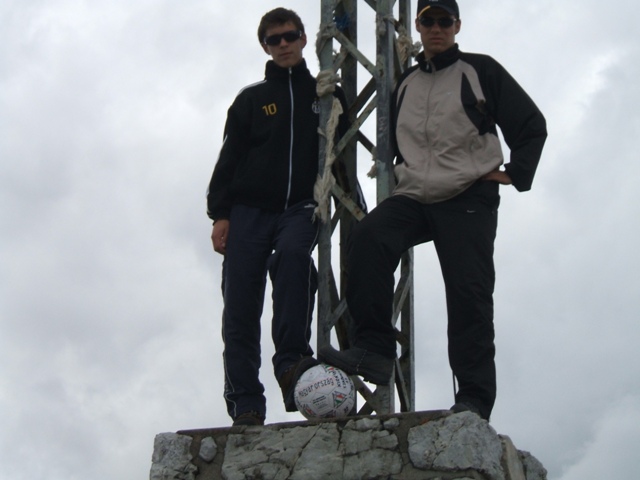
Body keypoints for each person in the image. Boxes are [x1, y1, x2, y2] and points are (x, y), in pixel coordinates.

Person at [320, 0, 547, 421]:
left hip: (467, 196)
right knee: (368, 238)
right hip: (414, 196)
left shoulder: (480, 70)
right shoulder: (406, 82)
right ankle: (375, 349)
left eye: (445, 21)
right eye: (428, 20)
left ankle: (474, 399)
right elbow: (396, 141)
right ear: (419, 26)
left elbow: (531, 124)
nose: (436, 27)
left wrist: (515, 173)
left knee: (468, 293)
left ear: (457, 26)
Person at [207, 7, 363, 426]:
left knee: (294, 258)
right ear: (265, 47)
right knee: (240, 306)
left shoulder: (324, 93)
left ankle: (291, 363)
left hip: (301, 205)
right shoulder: (251, 98)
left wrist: (338, 99)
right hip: (248, 211)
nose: (283, 45)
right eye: (273, 40)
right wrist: (220, 214)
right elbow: (229, 160)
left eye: (289, 36)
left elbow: (344, 149)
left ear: (303, 39)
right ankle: (245, 402)